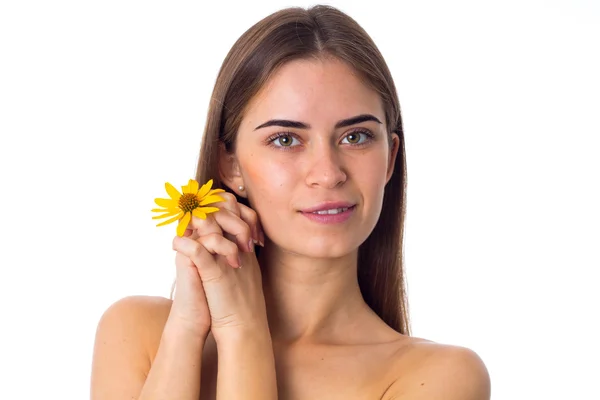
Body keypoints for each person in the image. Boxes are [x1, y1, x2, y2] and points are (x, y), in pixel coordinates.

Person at [90, 4, 491, 399]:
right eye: (285, 139)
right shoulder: (140, 333)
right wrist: (187, 330)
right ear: (229, 166)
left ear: (390, 158)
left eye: (356, 137)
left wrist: (243, 331)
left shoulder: (440, 377)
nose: (328, 172)